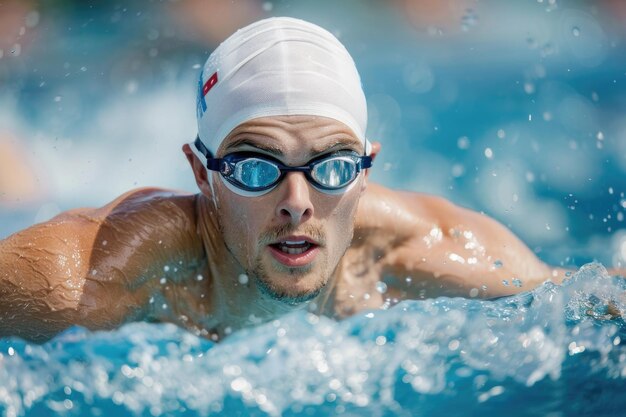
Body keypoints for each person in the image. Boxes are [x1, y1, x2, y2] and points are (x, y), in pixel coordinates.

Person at [0, 17, 609, 343]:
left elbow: (596, 299)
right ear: (201, 175)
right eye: (257, 167)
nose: (298, 204)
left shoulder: (436, 253)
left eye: (332, 167)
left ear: (366, 172)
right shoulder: (78, 281)